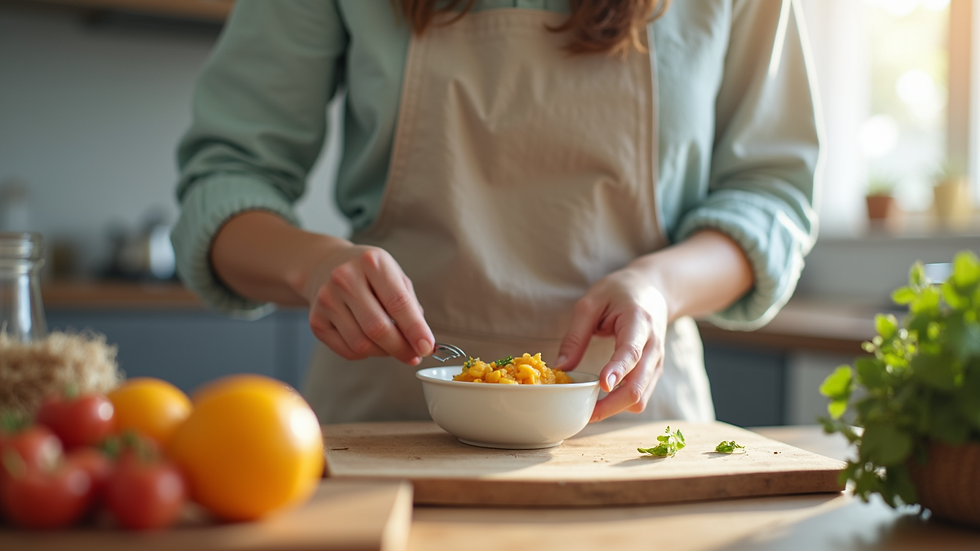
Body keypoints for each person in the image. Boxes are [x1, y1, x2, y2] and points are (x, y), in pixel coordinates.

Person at [172, 0, 820, 425]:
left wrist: (658, 287)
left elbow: (770, 196)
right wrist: (312, 264)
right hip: (387, 427)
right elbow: (223, 184)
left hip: (631, 428)